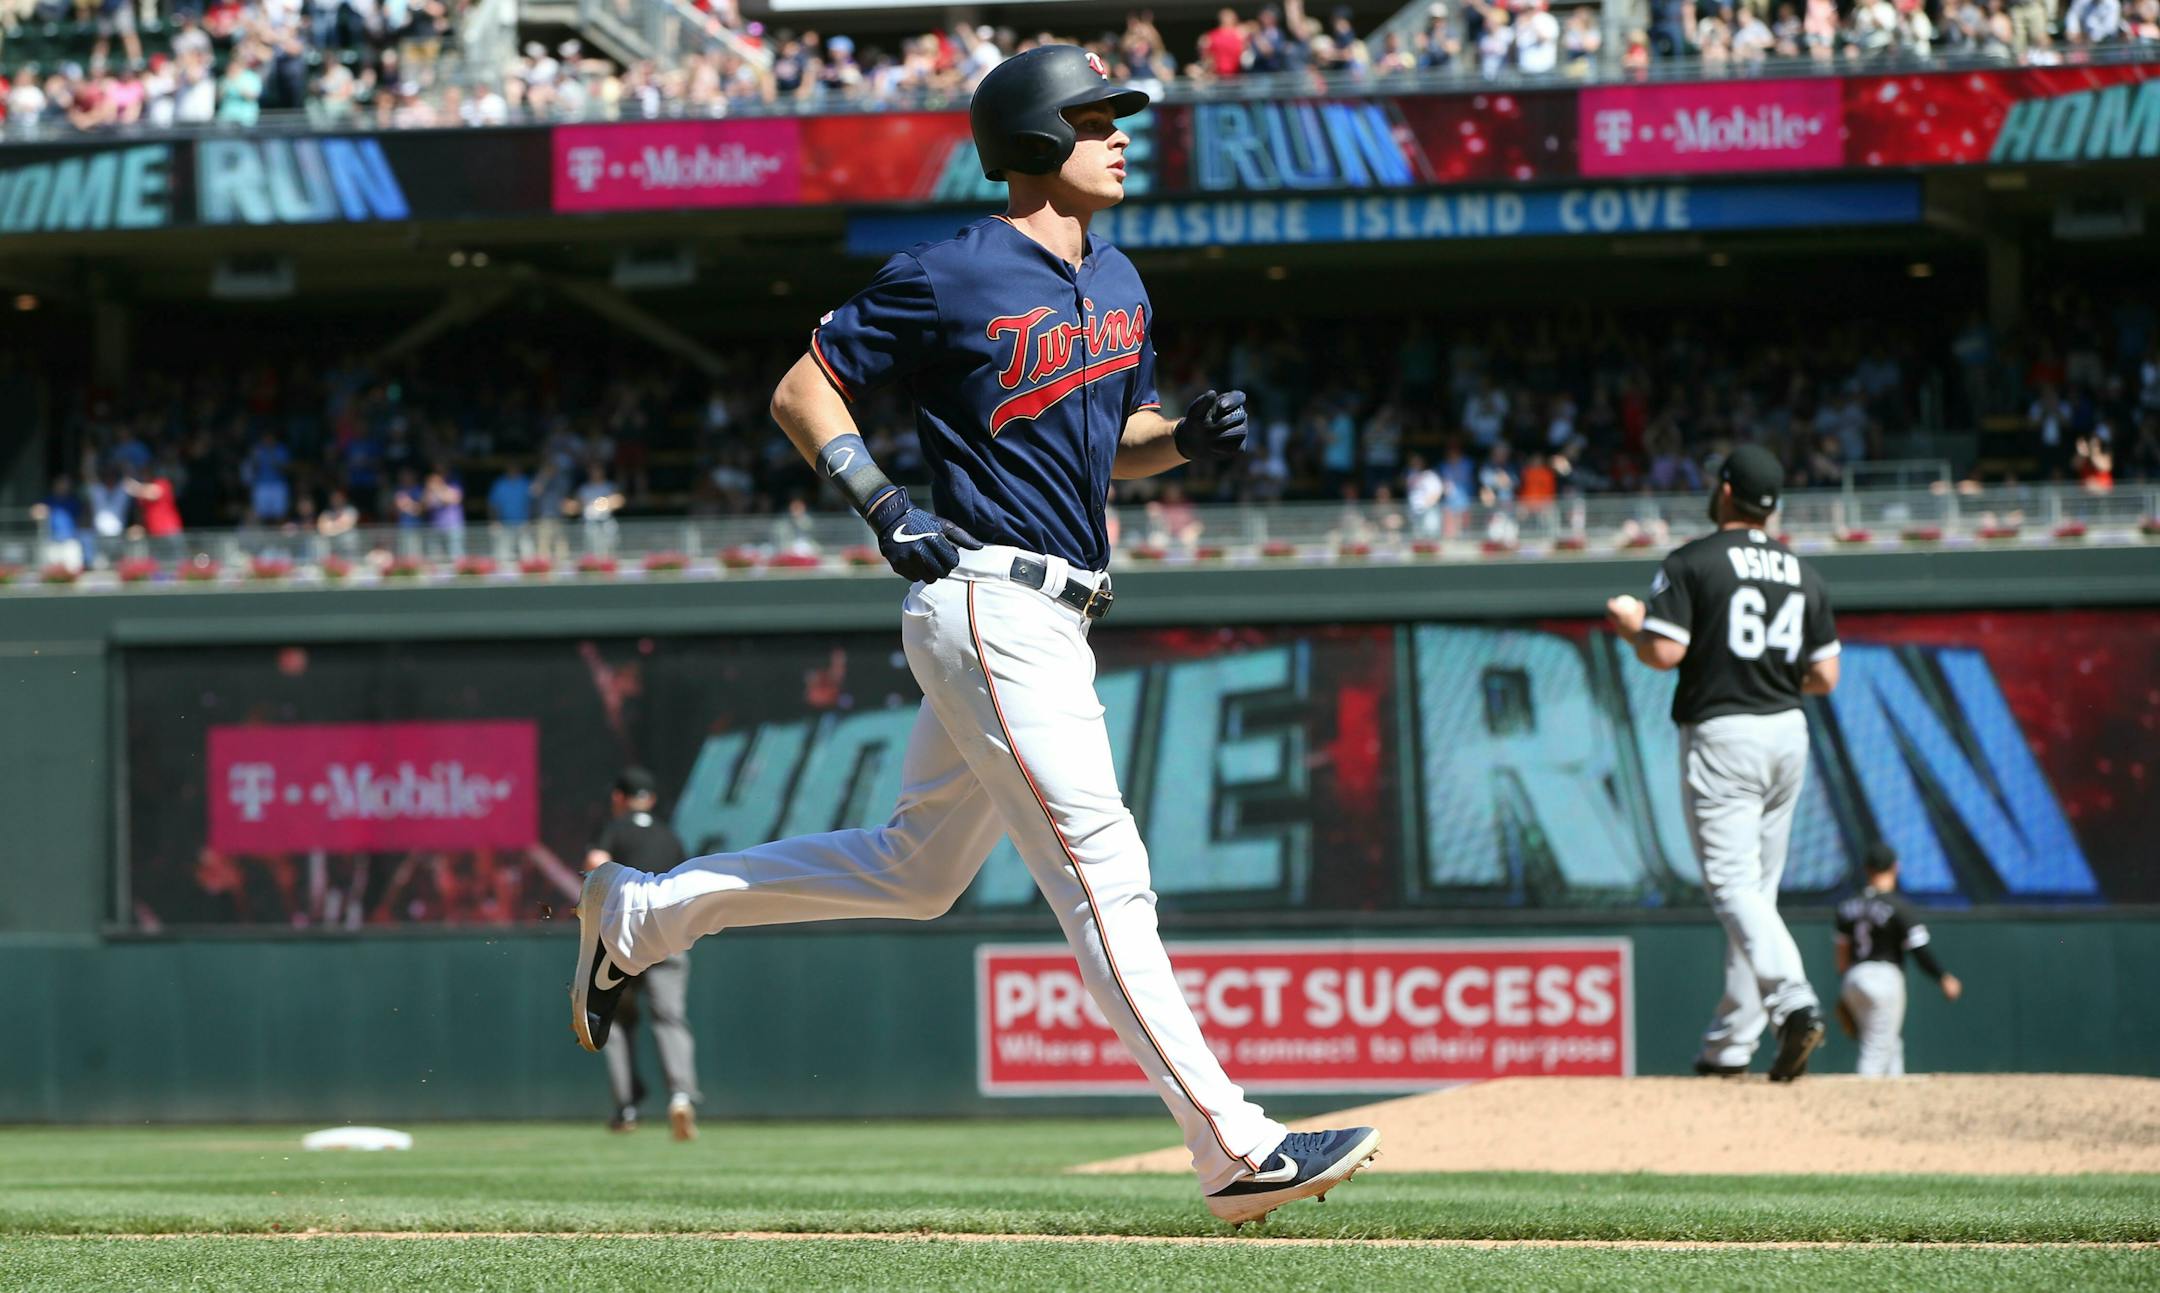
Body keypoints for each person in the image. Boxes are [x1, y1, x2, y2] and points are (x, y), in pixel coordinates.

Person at [568, 45, 1378, 1230]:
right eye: (1099, 116)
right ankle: (1234, 1146)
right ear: (1038, 136)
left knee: (917, 871)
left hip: (1058, 608)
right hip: (987, 600)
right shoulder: (956, 271)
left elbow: (1119, 441)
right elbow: (805, 388)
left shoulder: (1121, 280)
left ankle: (646, 913)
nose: (1122, 134)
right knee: (1107, 874)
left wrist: (1185, 438)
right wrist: (880, 501)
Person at [1603, 445, 1841, 1082]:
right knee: (1757, 894)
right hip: (1788, 729)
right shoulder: (1802, 572)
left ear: (1726, 491)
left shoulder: (1693, 561)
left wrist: (1631, 624)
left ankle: (1792, 1001)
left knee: (1734, 887)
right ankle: (1730, 1045)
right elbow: (1825, 675)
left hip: (1725, 730)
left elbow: (1661, 653)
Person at [584, 768, 701, 1138]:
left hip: (624, 936)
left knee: (616, 1020)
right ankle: (681, 1095)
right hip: (668, 932)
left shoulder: (615, 830)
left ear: (619, 798)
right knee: (670, 1017)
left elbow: (595, 864)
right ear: (649, 799)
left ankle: (627, 1108)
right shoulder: (670, 836)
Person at [1834, 843, 1962, 1077]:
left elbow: (1841, 957)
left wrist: (1846, 987)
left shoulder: (1846, 907)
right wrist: (1942, 977)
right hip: (1884, 978)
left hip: (1853, 978)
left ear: (1867, 869)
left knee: (1889, 1043)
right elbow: (1919, 950)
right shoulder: (1899, 907)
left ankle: (1895, 1098)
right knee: (1876, 1049)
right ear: (1895, 868)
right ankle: (1860, 1102)